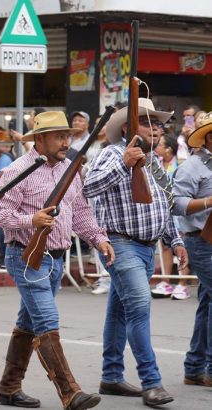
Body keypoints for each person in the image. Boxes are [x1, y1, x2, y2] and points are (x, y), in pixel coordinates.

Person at [0, 111, 114, 410]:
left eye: (67, 136)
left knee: (29, 323)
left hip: (56, 258)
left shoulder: (70, 167)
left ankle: (8, 387)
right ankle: (69, 392)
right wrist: (31, 219)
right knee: (47, 321)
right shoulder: (18, 170)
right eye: (59, 136)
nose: (65, 141)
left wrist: (99, 238)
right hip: (27, 256)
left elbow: (80, 212)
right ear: (39, 139)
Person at [83, 98, 188, 407]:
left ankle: (111, 376)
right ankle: (151, 382)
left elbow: (164, 207)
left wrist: (175, 240)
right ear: (129, 127)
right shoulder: (112, 153)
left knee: (119, 311)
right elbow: (87, 188)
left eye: (158, 124)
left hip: (145, 247)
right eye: (147, 122)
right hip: (121, 244)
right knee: (139, 308)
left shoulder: (154, 162)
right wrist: (124, 164)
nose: (156, 128)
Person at [172, 112, 212, 387]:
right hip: (201, 240)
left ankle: (195, 367)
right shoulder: (192, 166)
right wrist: (210, 201)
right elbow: (177, 204)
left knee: (208, 303)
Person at [151, 134, 189, 300]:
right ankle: (166, 281)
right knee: (165, 246)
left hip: (177, 212)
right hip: (163, 211)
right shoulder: (156, 164)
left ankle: (182, 283)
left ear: (168, 149)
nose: (156, 147)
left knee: (180, 245)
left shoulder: (181, 165)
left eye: (159, 144)